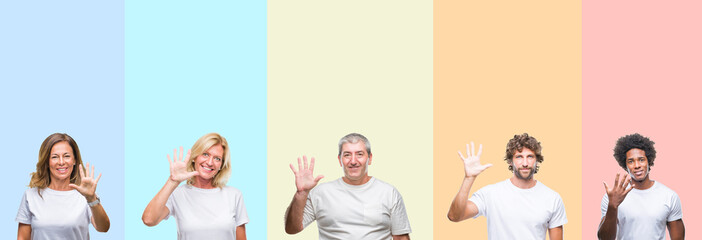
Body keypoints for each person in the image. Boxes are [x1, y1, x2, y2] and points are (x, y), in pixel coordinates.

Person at [284, 133, 411, 240]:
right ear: (340, 160)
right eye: (347, 155)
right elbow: (291, 229)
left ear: (370, 158)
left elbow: (401, 238)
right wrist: (301, 194)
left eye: (359, 154)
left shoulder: (389, 192)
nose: (353, 161)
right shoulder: (320, 193)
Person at [447, 133, 567, 240]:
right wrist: (469, 179)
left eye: (530, 156)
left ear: (537, 160)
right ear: (510, 161)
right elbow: (454, 216)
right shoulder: (490, 194)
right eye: (519, 157)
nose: (525, 163)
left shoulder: (552, 198)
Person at [142, 133, 248, 240]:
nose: (210, 162)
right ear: (194, 157)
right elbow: (149, 220)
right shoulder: (178, 194)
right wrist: (172, 181)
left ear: (221, 165)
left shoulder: (234, 195)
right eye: (205, 154)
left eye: (217, 158)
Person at [16, 133, 110, 240]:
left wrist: (92, 198)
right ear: (47, 162)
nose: (61, 162)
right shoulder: (30, 195)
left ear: (74, 160)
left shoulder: (86, 195)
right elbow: (22, 238)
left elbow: (103, 228)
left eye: (67, 156)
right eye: (55, 157)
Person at [597, 133, 685, 240]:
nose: (637, 165)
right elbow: (604, 239)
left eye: (641, 159)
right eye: (631, 161)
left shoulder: (669, 196)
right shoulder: (612, 198)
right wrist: (612, 206)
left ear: (649, 161)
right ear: (626, 166)